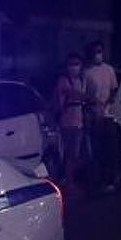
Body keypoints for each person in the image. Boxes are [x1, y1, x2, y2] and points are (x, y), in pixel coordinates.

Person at [82, 41, 121, 190]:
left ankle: (112, 178)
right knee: (97, 149)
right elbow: (84, 94)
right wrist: (93, 103)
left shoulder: (109, 70)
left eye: (100, 51)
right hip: (95, 115)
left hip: (108, 114)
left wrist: (109, 101)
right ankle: (98, 180)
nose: (98, 54)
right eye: (95, 52)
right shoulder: (87, 72)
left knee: (111, 148)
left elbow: (113, 89)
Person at [51, 53, 87, 187]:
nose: (74, 67)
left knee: (75, 155)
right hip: (67, 123)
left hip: (79, 123)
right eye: (71, 64)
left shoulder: (81, 80)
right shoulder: (63, 80)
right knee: (69, 154)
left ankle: (69, 179)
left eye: (77, 64)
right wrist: (90, 98)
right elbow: (72, 94)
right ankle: (68, 180)